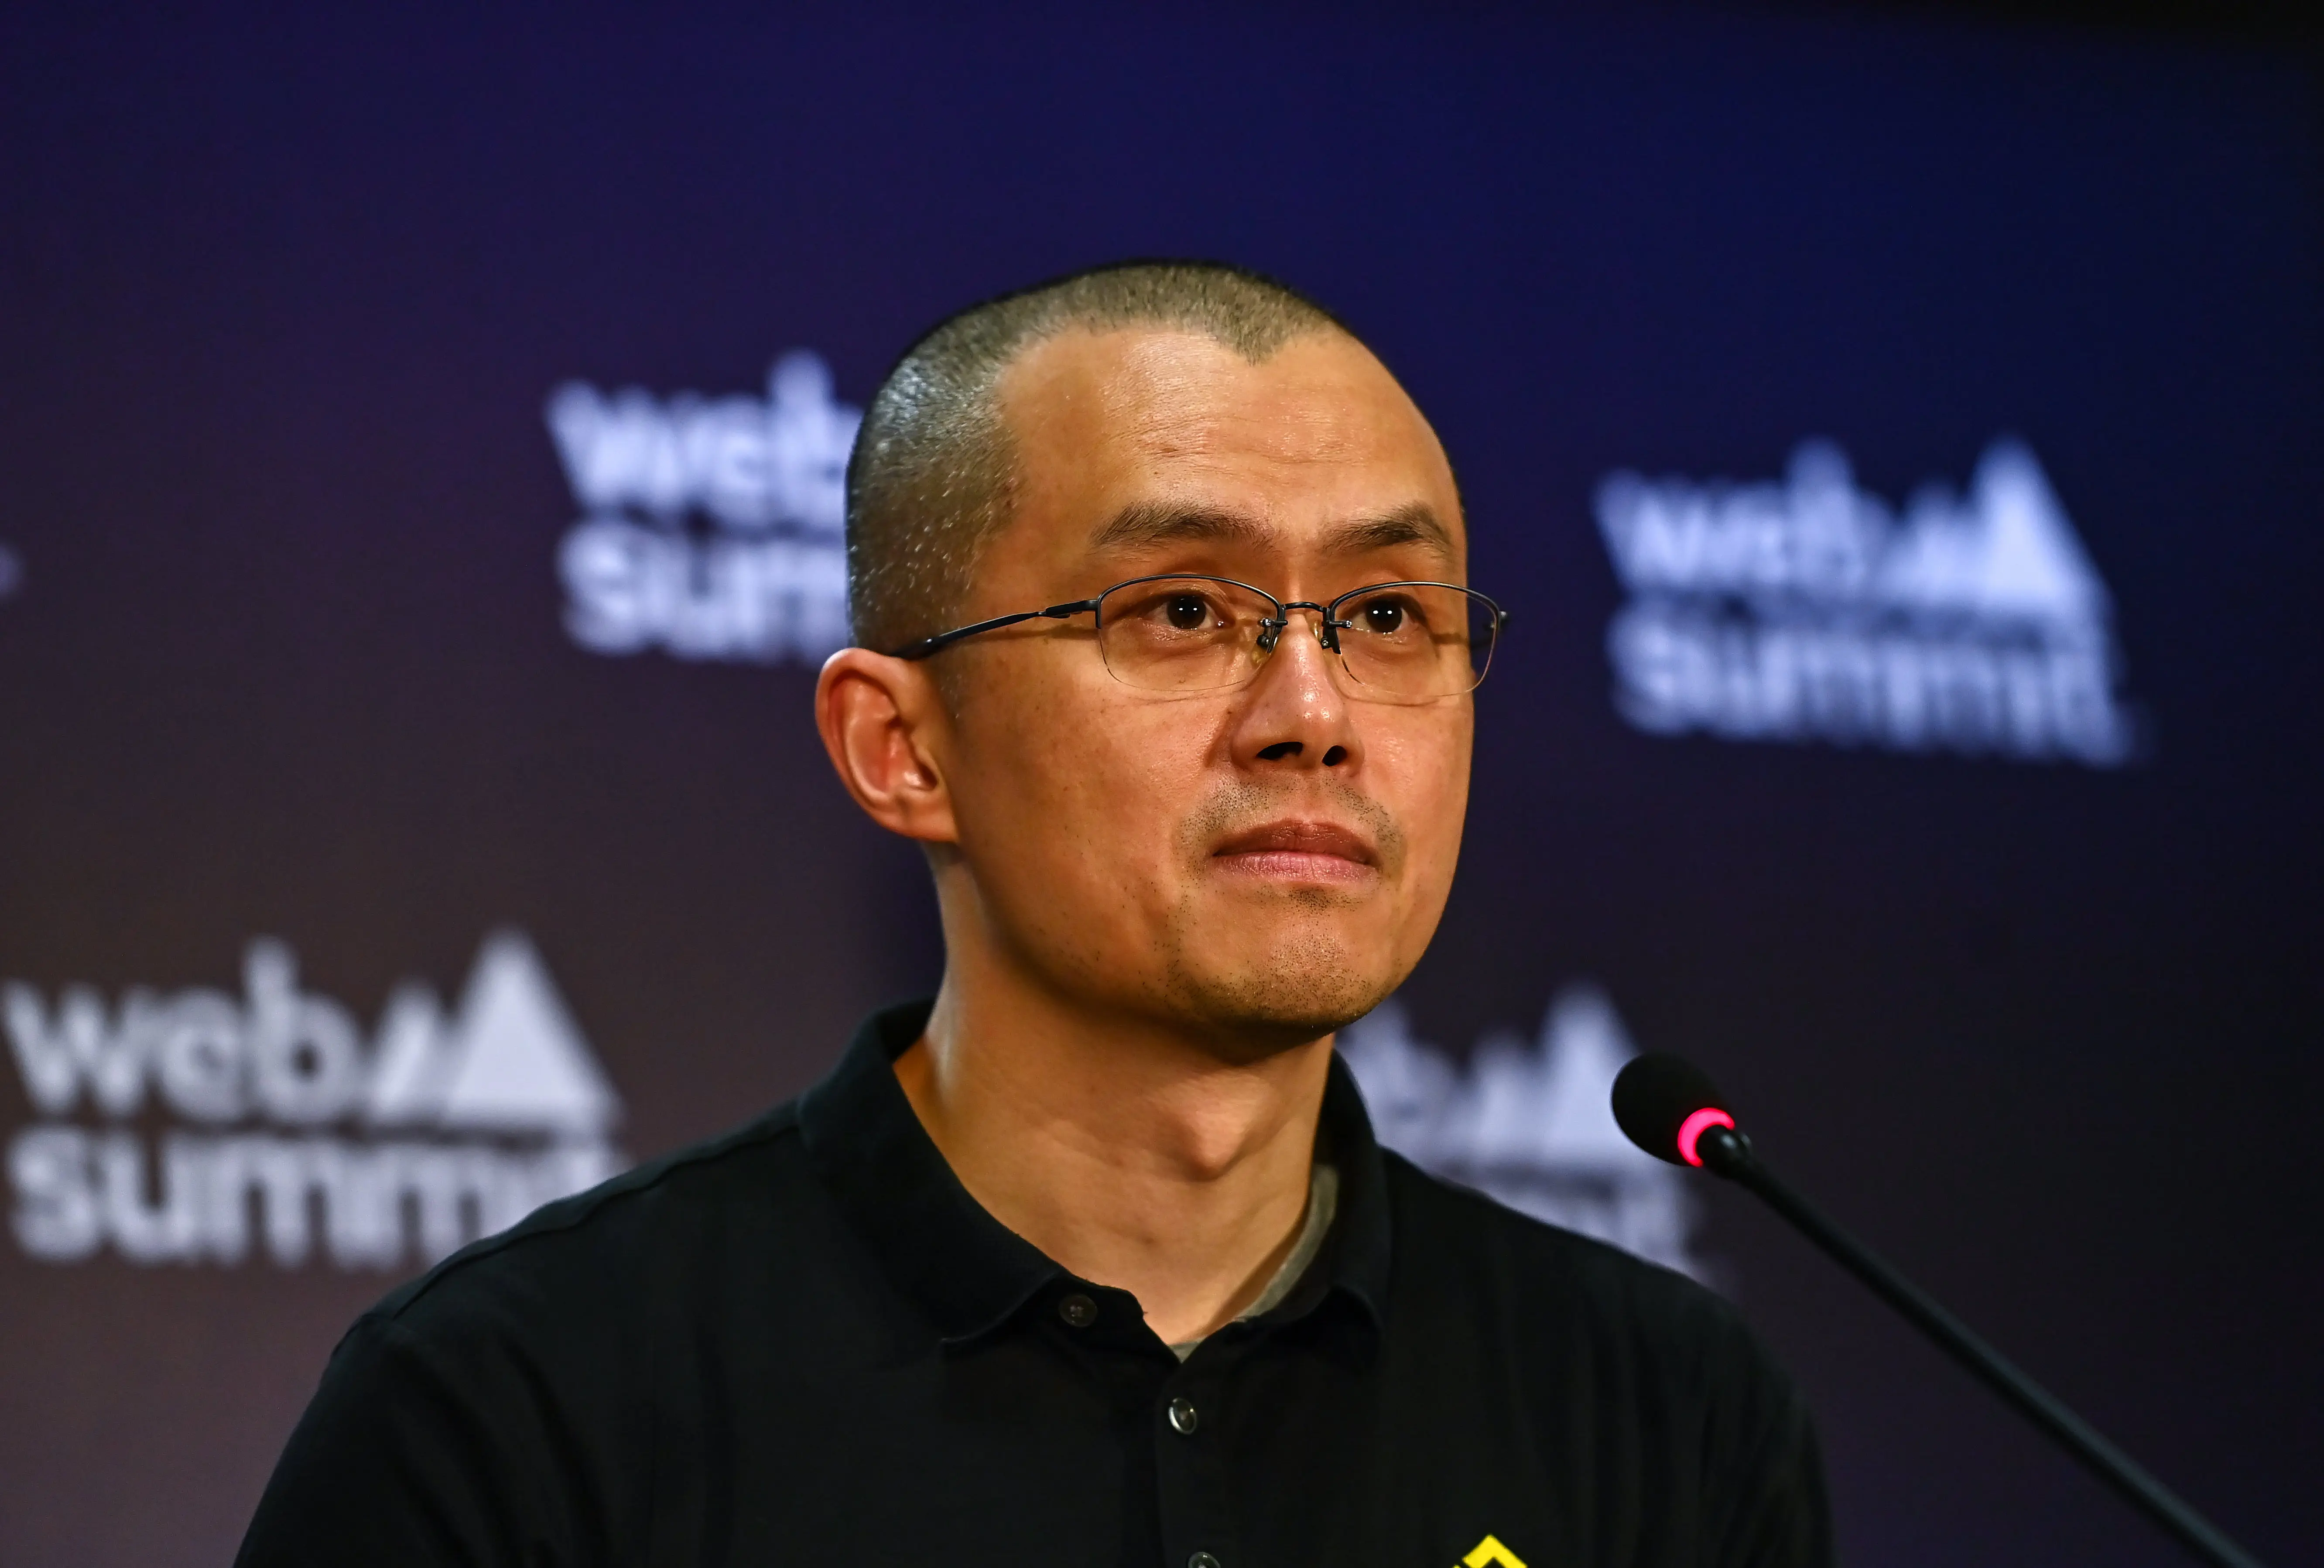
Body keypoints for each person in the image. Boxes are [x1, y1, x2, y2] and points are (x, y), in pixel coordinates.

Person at [236, 262, 1831, 1566]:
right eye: (1182, 611)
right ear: (902, 747)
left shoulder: (1660, 1417)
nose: (1313, 711)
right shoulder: (522, 1403)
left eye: (1388, 616)